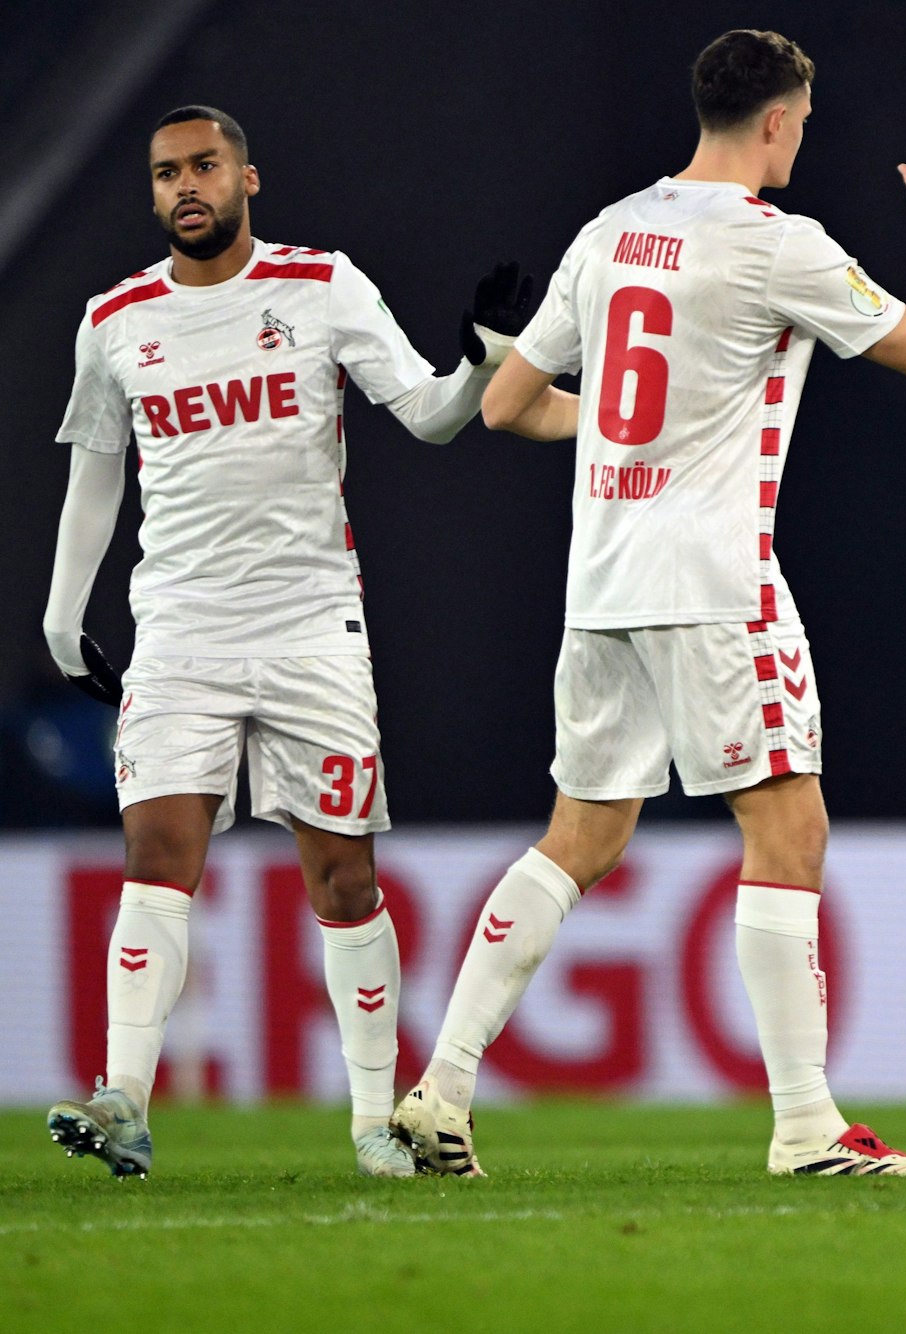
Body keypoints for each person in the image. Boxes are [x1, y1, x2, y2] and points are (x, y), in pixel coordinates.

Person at [391, 29, 906, 1178]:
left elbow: (512, 405)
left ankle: (443, 1085)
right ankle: (807, 1126)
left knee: (582, 833)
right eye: (802, 121)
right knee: (787, 826)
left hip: (603, 579)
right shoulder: (779, 244)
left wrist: (617, 432)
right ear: (774, 121)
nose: (802, 138)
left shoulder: (611, 229)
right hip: (716, 579)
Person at [43, 105, 533, 1178]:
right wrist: (60, 608)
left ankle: (370, 1120)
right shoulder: (116, 317)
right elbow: (95, 469)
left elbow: (430, 414)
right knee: (156, 855)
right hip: (178, 627)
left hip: (313, 625)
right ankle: (125, 1091)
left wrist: (486, 360)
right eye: (168, 172)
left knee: (341, 878)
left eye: (205, 166)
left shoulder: (322, 287)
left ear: (248, 178)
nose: (187, 186)